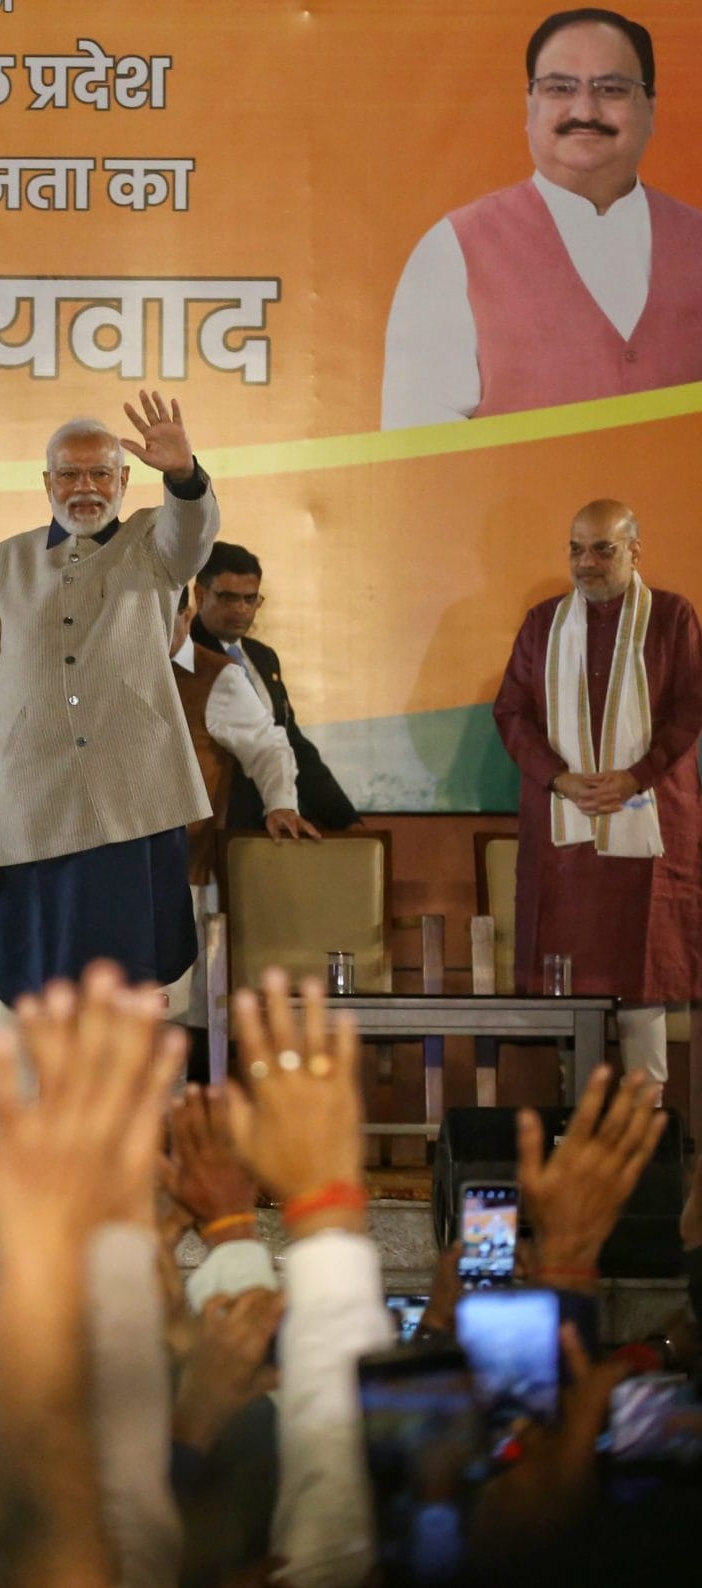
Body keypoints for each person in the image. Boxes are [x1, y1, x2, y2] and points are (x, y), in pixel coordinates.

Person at [0, 391, 219, 1007]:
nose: (85, 488)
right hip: (29, 810)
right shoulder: (1, 564)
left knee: (127, 994)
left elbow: (193, 533)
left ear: (125, 480)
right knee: (38, 994)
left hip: (133, 807)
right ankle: (45, 1106)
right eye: (69, 474)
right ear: (47, 483)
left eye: (101, 473)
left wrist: (182, 473)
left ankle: (122, 1105)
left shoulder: (155, 542)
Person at [382, 9, 702, 428]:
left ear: (651, 107)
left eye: (612, 88)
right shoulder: (453, 249)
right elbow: (418, 451)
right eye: (560, 88)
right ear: (530, 105)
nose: (585, 110)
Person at [493, 497, 702, 1091]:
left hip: (650, 821)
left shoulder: (672, 618)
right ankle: (577, 1123)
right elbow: (511, 712)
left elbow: (689, 709)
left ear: (635, 551)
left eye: (602, 549)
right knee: (569, 981)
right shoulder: (543, 623)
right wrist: (558, 776)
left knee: (645, 984)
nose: (586, 563)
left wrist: (637, 775)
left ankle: (645, 1131)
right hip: (567, 833)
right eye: (576, 548)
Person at [168, 586, 318, 1051]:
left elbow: (268, 745)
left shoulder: (216, 676)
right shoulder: (100, 670)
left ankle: (183, 1118)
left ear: (186, 615)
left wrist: (280, 804)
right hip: (103, 875)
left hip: (182, 876)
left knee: (174, 1026)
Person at [190, 542, 359, 831]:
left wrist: (344, 818)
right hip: (212, 829)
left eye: (250, 599)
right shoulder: (184, 658)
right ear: (200, 594)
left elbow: (291, 741)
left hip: (276, 822)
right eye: (228, 597)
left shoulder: (262, 657)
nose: (241, 609)